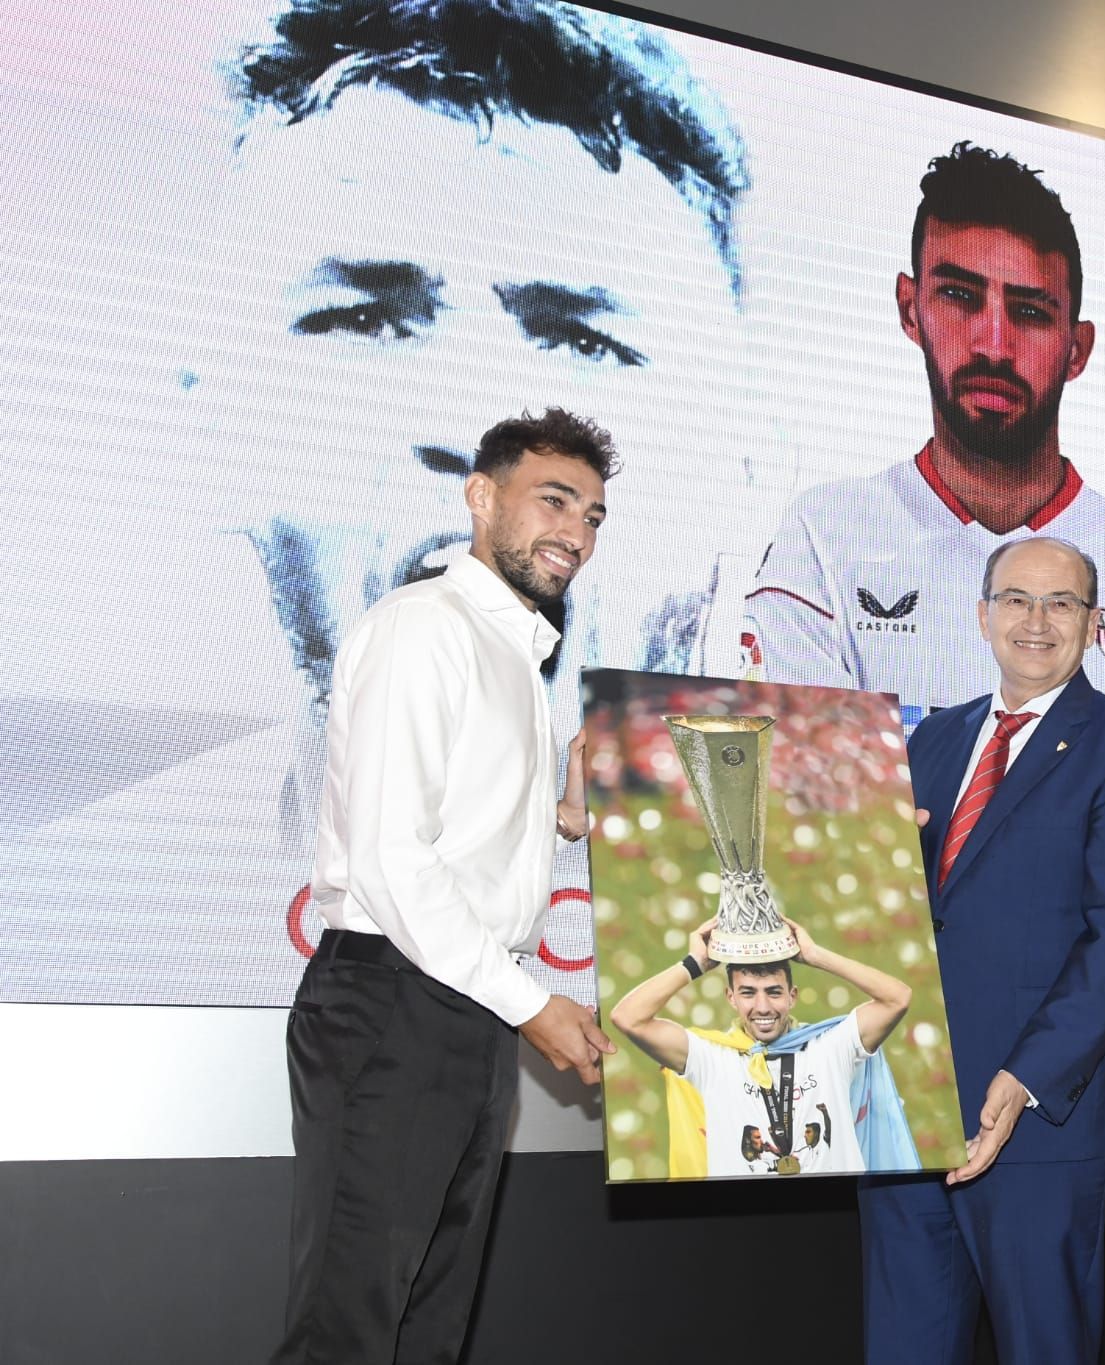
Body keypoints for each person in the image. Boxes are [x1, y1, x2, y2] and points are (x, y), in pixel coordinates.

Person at [181, 0, 760, 982]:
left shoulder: (813, 872)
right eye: (364, 318)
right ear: (215, 422)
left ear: (742, 469)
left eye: (584, 340)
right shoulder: (114, 895)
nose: (479, 438)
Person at [744, 142, 1105, 871]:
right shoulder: (822, 538)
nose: (994, 342)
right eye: (959, 295)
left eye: (1031, 311)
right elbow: (803, 826)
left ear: (1078, 347)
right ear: (910, 309)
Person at [275, 408, 620, 1364]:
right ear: (480, 496)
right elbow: (394, 860)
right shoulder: (426, 628)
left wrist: (566, 811)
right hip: (393, 1002)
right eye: (555, 501)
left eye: (593, 516)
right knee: (348, 1332)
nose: (576, 534)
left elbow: (462, 828)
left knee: (426, 1329)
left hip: (458, 1006)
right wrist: (531, 1003)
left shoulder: (515, 653)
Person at [859, 535, 1105, 1362]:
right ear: (982, 613)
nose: (1036, 621)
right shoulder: (924, 742)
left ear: (1094, 622)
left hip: (1042, 1122)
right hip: (906, 1107)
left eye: (1061, 602)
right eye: (1015, 599)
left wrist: (1027, 1074)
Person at [612, 918, 915, 1177]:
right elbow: (628, 1018)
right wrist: (695, 964)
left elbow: (897, 998)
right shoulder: (712, 1057)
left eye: (774, 992)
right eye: (748, 993)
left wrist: (815, 955)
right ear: (730, 997)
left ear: (792, 996)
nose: (763, 1006)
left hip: (832, 1211)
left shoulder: (829, 1047)